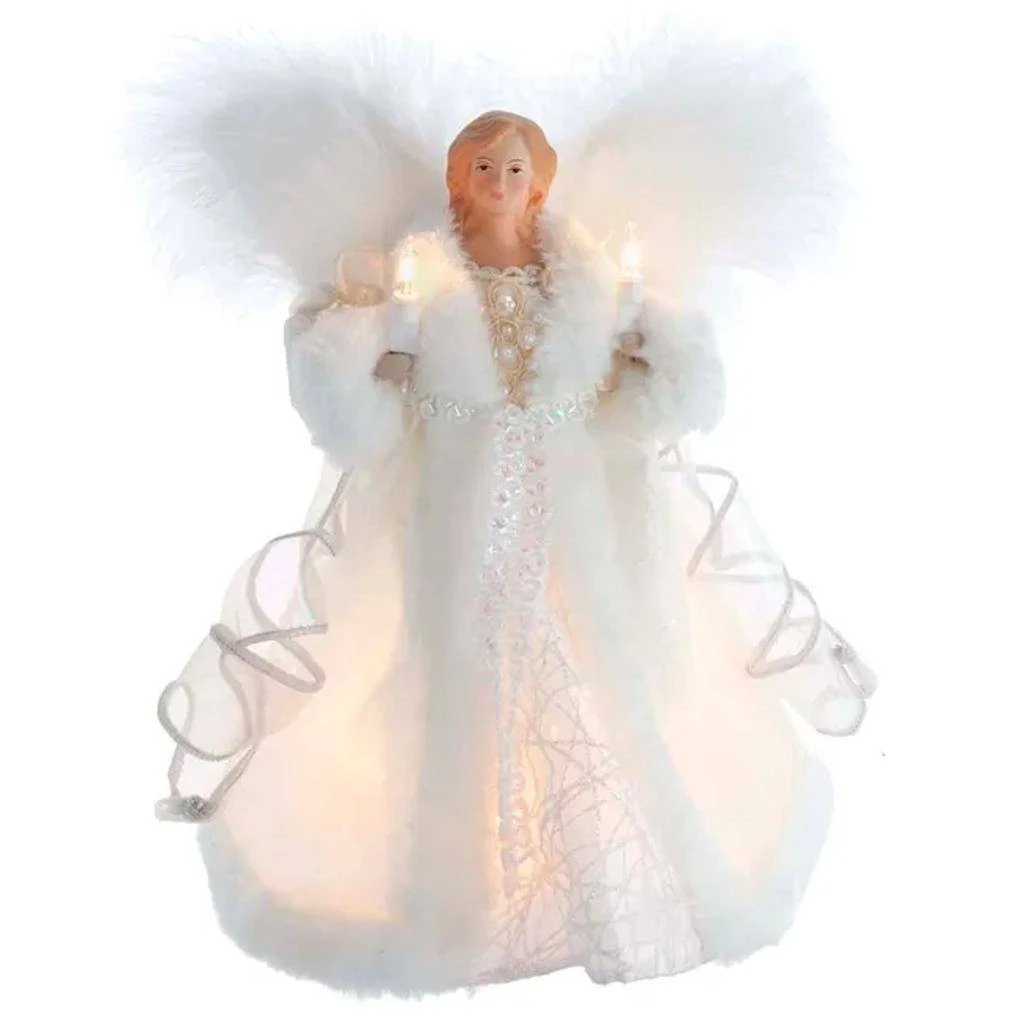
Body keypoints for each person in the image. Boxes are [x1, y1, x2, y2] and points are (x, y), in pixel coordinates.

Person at [130, 35, 876, 997]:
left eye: (515, 168)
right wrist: (366, 346)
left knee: (600, 659)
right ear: (460, 179)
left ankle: (603, 873)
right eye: (483, 168)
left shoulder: (587, 281)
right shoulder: (420, 276)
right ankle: (459, 894)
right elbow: (355, 414)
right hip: (455, 508)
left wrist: (652, 349)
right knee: (448, 664)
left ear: (539, 181)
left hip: (576, 511)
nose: (499, 182)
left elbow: (652, 404)